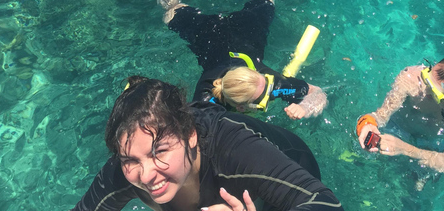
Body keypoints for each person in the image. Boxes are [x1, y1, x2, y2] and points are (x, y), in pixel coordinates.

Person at [71, 76, 343, 211]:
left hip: (290, 167)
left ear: (191, 135)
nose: (146, 175)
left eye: (160, 152)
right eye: (130, 160)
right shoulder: (126, 168)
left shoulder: (236, 153)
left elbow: (326, 203)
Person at [154, 0, 327, 119]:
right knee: (170, 11)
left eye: (267, 84)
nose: (271, 88)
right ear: (243, 107)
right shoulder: (206, 100)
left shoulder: (271, 84)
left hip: (246, 30)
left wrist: (305, 108)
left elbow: (317, 93)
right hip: (210, 35)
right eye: (263, 97)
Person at [355, 56, 444, 180]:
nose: (426, 90)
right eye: (427, 79)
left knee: (417, 181)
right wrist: (367, 123)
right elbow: (381, 115)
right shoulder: (411, 77)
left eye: (435, 92)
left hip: (432, 145)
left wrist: (406, 149)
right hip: (399, 126)